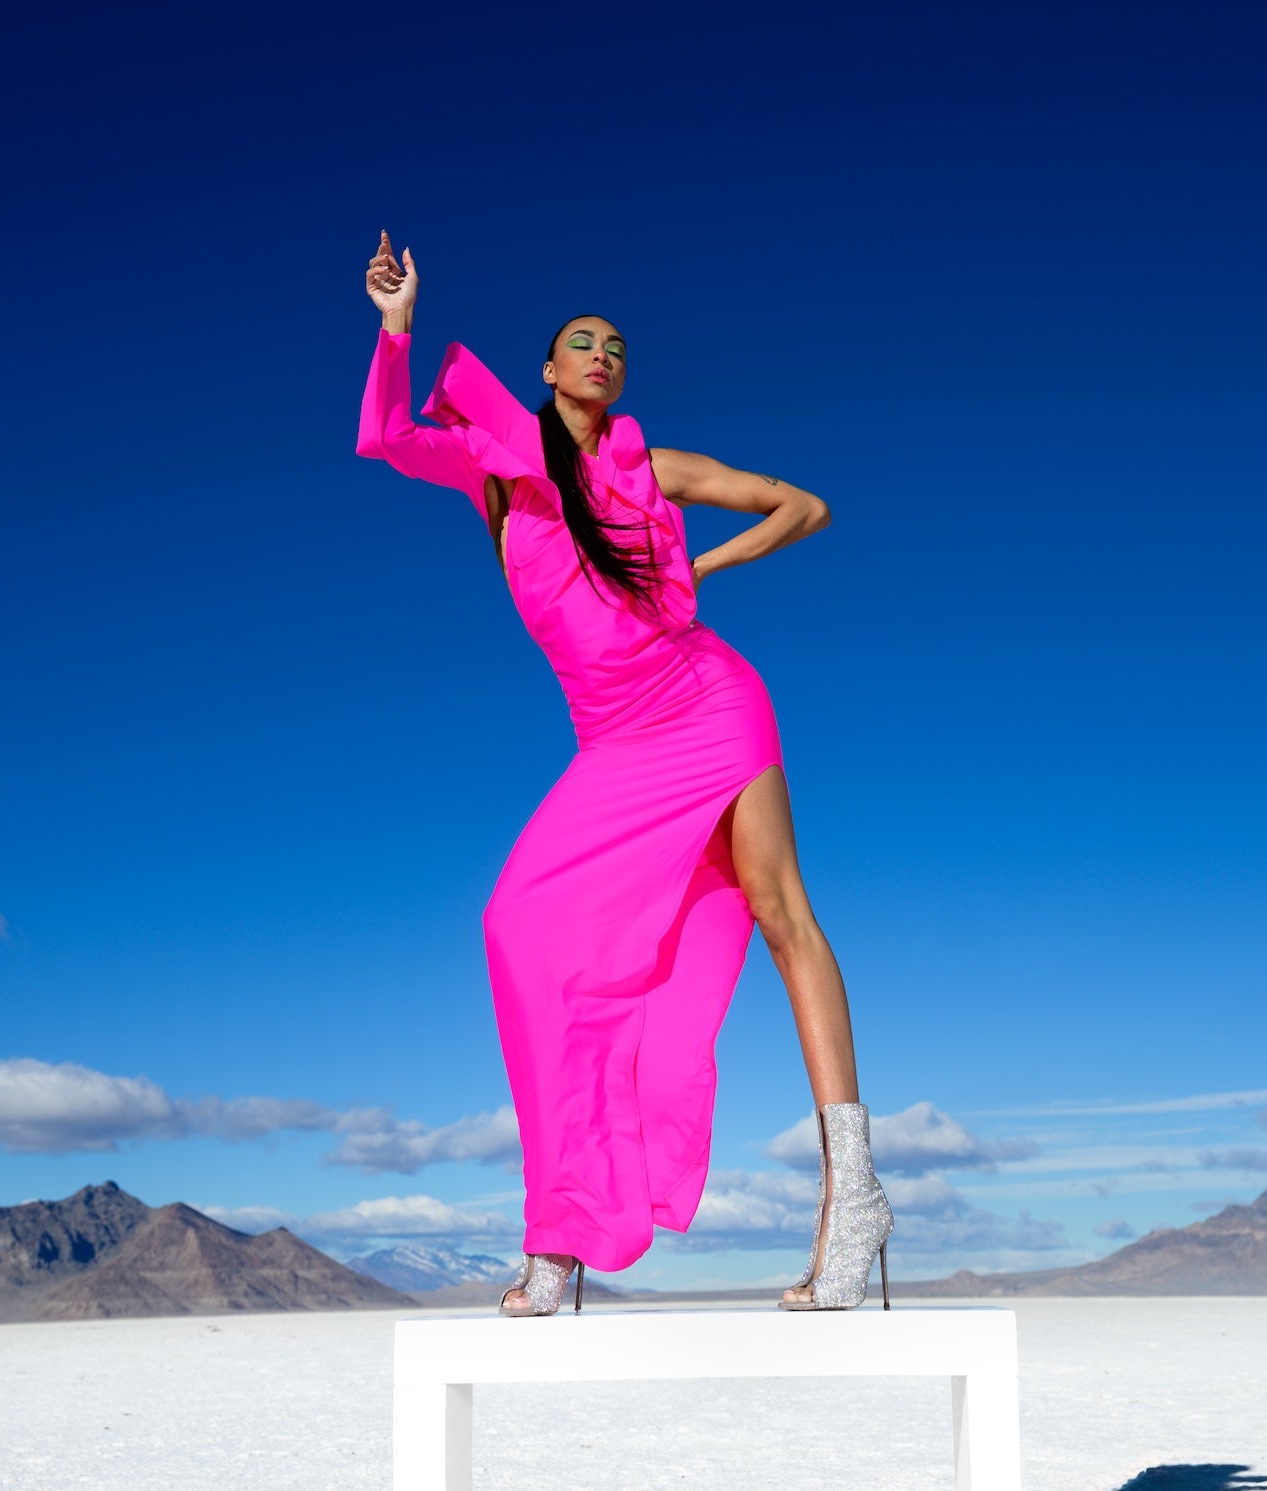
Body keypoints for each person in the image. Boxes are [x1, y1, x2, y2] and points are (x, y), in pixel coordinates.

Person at [358, 231, 893, 1314]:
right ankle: (564, 1227)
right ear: (548, 371)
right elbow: (385, 435)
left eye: (616, 346)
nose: (601, 353)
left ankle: (857, 1198)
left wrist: (702, 560)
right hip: (612, 744)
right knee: (520, 925)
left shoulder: (657, 471)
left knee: (784, 912)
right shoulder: (500, 472)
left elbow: (804, 506)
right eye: (579, 343)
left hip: (707, 703)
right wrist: (397, 328)